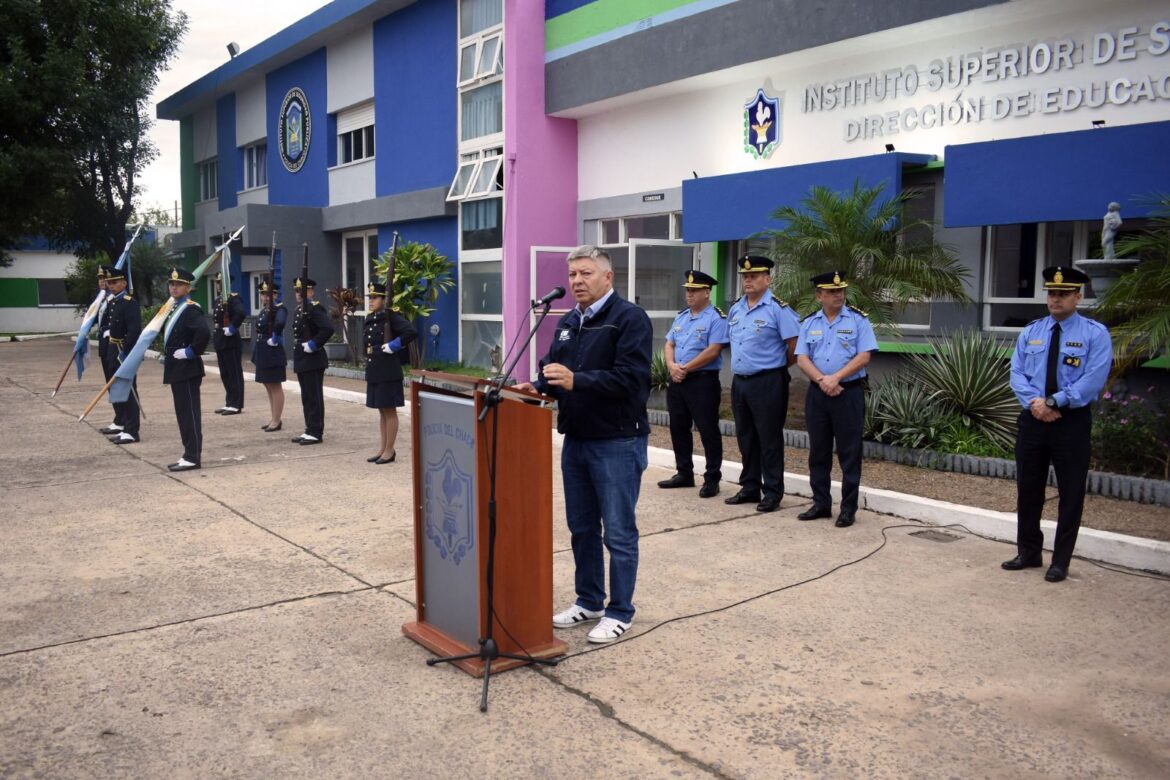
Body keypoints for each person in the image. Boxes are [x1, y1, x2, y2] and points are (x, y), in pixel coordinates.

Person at [514, 245, 652, 644]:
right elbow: (555, 373)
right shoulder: (568, 321)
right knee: (582, 528)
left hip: (617, 441)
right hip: (576, 439)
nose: (577, 281)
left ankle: (620, 611)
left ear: (608, 277)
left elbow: (632, 379)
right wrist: (536, 387)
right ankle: (589, 601)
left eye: (586, 273)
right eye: (573, 274)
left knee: (618, 533)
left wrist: (578, 381)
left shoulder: (629, 319)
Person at [1003, 266, 1111, 583]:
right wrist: (1037, 404)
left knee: (1071, 492)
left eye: (1063, 294)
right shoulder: (1032, 331)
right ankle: (1029, 552)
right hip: (1033, 418)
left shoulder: (1094, 334)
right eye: (1052, 293)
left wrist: (1054, 401)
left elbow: (1093, 379)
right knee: (1028, 488)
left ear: (1078, 296)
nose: (1056, 299)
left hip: (1071, 422)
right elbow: (1016, 373)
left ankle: (1060, 561)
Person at [794, 271, 878, 527]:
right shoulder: (809, 323)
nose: (838, 295)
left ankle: (848, 509)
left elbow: (864, 356)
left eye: (840, 290)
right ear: (819, 295)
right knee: (818, 452)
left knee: (849, 453)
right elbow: (802, 358)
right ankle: (821, 504)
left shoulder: (858, 320)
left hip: (848, 393)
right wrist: (823, 380)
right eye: (831, 292)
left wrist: (836, 378)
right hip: (818, 394)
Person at [724, 255, 800, 513]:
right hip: (741, 382)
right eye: (745, 276)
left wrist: (775, 367)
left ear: (767, 279)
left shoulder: (778, 309)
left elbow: (794, 346)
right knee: (745, 437)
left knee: (769, 439)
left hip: (768, 381)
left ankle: (773, 492)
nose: (748, 280)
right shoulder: (736, 308)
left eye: (754, 276)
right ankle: (749, 487)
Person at [658, 270, 729, 498]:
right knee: (678, 427)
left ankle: (712, 479)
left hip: (702, 381)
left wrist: (685, 368)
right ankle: (684, 473)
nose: (689, 294)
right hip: (678, 380)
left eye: (695, 290)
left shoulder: (716, 318)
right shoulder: (682, 316)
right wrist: (671, 366)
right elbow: (669, 344)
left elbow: (713, 350)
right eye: (688, 290)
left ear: (707, 292)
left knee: (708, 430)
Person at [162, 268, 211, 472]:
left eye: (179, 284)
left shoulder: (190, 309)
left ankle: (192, 456)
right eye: (172, 284)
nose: (174, 287)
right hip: (177, 367)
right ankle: (188, 453)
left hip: (187, 368)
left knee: (189, 413)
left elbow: (204, 332)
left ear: (188, 288)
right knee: (182, 412)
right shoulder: (174, 307)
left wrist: (191, 352)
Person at [362, 282, 416, 464]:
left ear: (384, 299)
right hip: (375, 368)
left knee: (389, 410)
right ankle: (383, 448)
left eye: (375, 297)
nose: (371, 301)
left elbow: (410, 332)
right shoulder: (371, 317)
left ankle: (390, 450)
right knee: (381, 410)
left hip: (388, 370)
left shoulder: (390, 316)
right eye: (370, 297)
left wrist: (394, 345)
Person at [102, 265, 143, 445]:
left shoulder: (129, 302)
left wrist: (126, 352)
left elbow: (134, 331)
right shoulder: (114, 302)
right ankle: (123, 424)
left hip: (123, 351)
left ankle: (132, 430)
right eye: (109, 283)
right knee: (118, 389)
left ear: (124, 283)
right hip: (113, 349)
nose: (111, 285)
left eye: (115, 282)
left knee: (129, 390)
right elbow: (109, 324)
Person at [291, 276, 333, 445]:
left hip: (313, 358)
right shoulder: (299, 309)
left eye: (301, 290)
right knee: (306, 396)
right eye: (296, 290)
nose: (298, 293)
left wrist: (314, 344)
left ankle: (316, 431)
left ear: (310, 292)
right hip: (302, 356)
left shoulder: (315, 309)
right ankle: (309, 429)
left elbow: (328, 328)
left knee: (314, 396)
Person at [252, 280, 287, 432]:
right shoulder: (265, 310)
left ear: (275, 295)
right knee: (267, 385)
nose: (265, 297)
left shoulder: (279, 309)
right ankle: (273, 418)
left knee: (275, 385)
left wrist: (275, 336)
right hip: (262, 350)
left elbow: (281, 322)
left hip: (272, 351)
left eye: (268, 295)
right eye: (263, 294)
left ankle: (276, 420)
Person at [211, 273, 246, 416]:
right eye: (217, 282)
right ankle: (230, 402)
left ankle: (236, 404)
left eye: (221, 282)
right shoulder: (218, 300)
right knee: (225, 373)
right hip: (220, 339)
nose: (219, 285)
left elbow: (241, 313)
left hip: (230, 340)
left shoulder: (233, 298)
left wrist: (232, 327)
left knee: (234, 373)